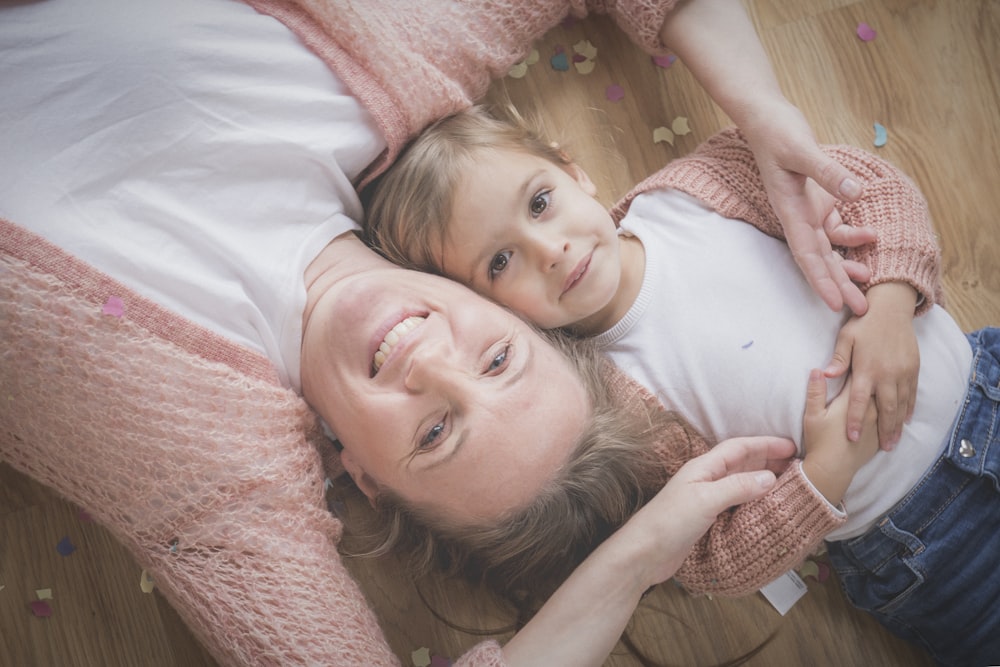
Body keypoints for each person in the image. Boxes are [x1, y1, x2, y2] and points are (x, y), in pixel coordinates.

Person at [0, 0, 882, 664]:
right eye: (498, 359)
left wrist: (640, 556)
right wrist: (763, 110)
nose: (429, 363)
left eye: (433, 434)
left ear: (367, 482)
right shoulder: (393, 70)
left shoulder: (209, 474)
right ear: (519, 314)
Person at [364, 106, 999, 666]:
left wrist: (890, 304)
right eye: (499, 263)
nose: (549, 250)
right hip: (926, 542)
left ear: (572, 168)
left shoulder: (697, 188)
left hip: (985, 383)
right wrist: (826, 472)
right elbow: (713, 560)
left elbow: (873, 190)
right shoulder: (603, 416)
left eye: (539, 202)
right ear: (484, 310)